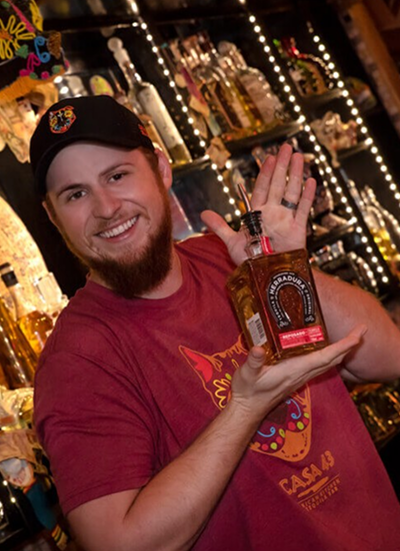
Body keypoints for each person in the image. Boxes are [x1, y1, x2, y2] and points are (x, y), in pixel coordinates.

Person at [30, 95, 400, 551]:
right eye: (76, 194)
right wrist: (245, 408)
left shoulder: (228, 256)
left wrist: (287, 268)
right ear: (53, 217)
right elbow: (121, 544)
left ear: (161, 170)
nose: (106, 207)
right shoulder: (77, 362)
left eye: (117, 175)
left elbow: (388, 356)